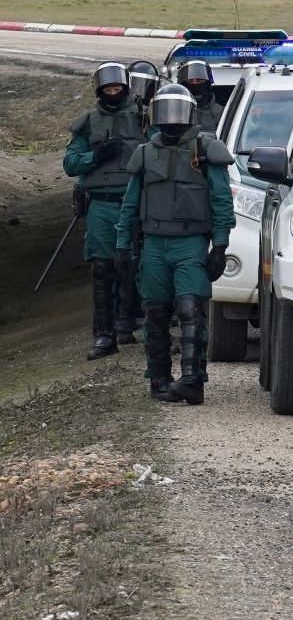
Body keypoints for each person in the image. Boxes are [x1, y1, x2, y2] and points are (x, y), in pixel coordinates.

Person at [116, 84, 235, 405]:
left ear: (189, 114)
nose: (171, 120)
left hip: (191, 243)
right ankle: (159, 378)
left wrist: (220, 247)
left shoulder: (206, 150)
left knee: (190, 308)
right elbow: (130, 204)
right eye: (164, 112)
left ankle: (193, 380)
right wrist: (123, 246)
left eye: (176, 111)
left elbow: (221, 201)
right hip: (154, 244)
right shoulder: (144, 154)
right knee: (156, 312)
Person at [64, 62, 148, 359]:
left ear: (126, 88)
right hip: (101, 203)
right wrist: (96, 156)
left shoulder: (144, 118)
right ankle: (104, 335)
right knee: (102, 268)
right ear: (99, 91)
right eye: (107, 89)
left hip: (135, 202)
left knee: (137, 266)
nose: (113, 93)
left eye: (117, 88)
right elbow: (70, 164)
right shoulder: (88, 122)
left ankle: (140, 326)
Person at [177, 59, 221, 134]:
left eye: (199, 80)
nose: (195, 84)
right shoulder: (175, 111)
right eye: (190, 81)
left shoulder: (221, 112)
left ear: (207, 84)